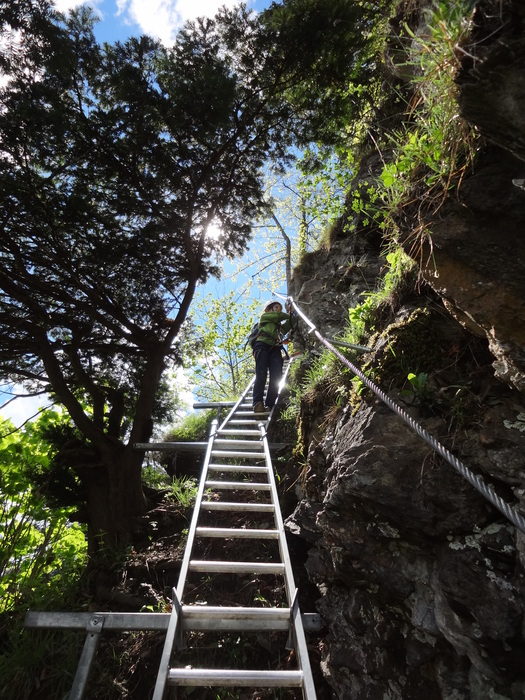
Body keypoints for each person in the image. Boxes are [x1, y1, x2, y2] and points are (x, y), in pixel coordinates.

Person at [252, 300, 292, 414]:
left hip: (275, 348)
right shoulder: (265, 318)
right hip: (262, 345)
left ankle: (269, 404)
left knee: (276, 377)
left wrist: (293, 314)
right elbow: (279, 316)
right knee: (261, 374)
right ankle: (257, 403)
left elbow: (291, 322)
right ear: (269, 309)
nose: (279, 309)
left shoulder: (279, 328)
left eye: (280, 308)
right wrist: (287, 313)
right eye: (276, 307)